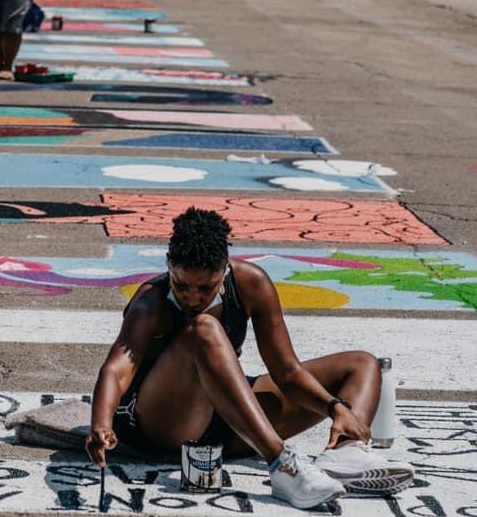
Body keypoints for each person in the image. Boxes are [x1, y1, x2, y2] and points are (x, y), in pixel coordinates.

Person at [86, 207, 415, 510]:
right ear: (169, 263)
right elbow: (116, 371)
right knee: (204, 329)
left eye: (206, 287)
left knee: (361, 364)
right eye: (182, 284)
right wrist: (101, 423)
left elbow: (287, 371)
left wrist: (335, 408)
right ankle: (281, 465)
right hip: (163, 422)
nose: (192, 297)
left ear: (225, 267)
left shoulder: (251, 283)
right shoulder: (151, 303)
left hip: (229, 422)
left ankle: (345, 454)